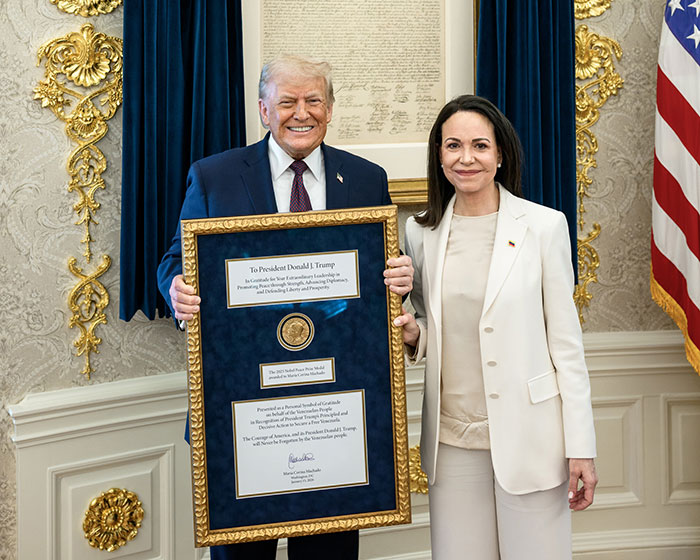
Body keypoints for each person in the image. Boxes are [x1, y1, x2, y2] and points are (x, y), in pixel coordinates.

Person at [157, 55, 414, 560]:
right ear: (263, 109)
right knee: (241, 552)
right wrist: (176, 288)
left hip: (336, 401)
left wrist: (400, 279)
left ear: (330, 108)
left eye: (314, 100)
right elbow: (175, 260)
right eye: (288, 101)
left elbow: (376, 279)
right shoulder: (215, 176)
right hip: (242, 401)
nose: (302, 113)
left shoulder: (365, 178)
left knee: (329, 550)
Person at [394, 95, 597, 559]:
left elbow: (566, 346)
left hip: (532, 438)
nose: (466, 158)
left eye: (480, 146)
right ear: (439, 155)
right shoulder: (420, 233)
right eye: (453, 146)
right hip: (451, 441)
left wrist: (581, 447)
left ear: (500, 154)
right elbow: (429, 320)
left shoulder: (544, 227)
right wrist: (413, 335)